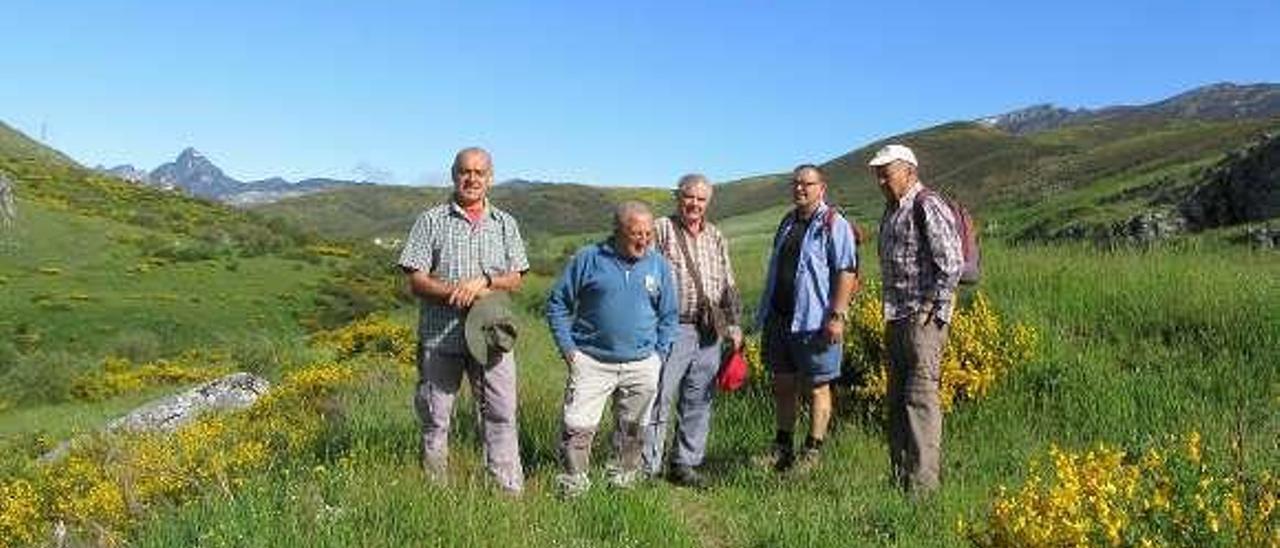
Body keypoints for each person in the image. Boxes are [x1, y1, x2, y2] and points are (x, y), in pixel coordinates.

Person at [398, 147, 529, 494]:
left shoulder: (506, 224)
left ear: (490, 178)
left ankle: (507, 493)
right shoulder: (431, 221)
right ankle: (435, 493)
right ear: (453, 174)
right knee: (436, 419)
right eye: (465, 171)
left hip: (492, 338)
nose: (472, 178)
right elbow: (416, 279)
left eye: (479, 172)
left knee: (500, 415)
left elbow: (516, 278)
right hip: (440, 337)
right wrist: (454, 292)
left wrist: (484, 282)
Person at [546, 201, 678, 498]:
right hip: (591, 361)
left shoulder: (658, 265)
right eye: (636, 233)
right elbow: (557, 304)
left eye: (648, 234)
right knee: (577, 427)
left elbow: (669, 315)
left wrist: (659, 355)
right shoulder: (588, 258)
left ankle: (622, 483)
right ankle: (573, 486)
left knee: (632, 429)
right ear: (617, 231)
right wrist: (570, 351)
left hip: (642, 363)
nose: (643, 240)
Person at [868, 143, 962, 494]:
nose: (880, 180)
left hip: (921, 321)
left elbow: (950, 263)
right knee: (896, 402)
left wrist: (931, 311)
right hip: (895, 317)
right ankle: (900, 478)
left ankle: (923, 489)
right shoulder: (891, 210)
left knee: (921, 402)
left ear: (909, 171)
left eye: (886, 173)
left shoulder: (927, 204)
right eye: (878, 174)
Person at [642, 174, 743, 488]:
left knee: (699, 399)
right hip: (670, 327)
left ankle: (684, 463)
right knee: (659, 396)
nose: (694, 204)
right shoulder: (661, 229)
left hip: (710, 331)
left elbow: (728, 282)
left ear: (708, 202)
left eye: (701, 199)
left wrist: (734, 323)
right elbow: (640, 266)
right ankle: (648, 466)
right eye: (689, 197)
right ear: (678, 197)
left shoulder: (715, 236)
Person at [756, 164, 859, 471]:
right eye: (796, 183)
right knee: (783, 384)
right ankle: (783, 448)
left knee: (817, 387)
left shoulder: (833, 223)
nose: (800, 188)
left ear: (821, 188)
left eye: (807, 184)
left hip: (815, 321)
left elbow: (846, 271)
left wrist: (837, 315)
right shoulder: (787, 222)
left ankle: (812, 452)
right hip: (781, 317)